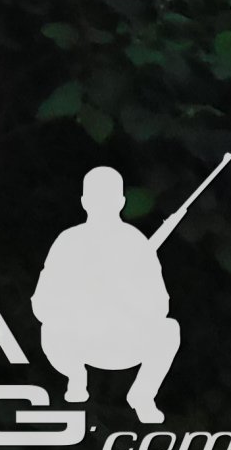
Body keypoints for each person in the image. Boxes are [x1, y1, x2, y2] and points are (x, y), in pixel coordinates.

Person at [34, 164, 185, 425]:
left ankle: (143, 395)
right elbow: (42, 303)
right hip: (78, 341)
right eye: (96, 198)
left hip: (125, 341)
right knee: (49, 329)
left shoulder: (135, 243)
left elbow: (161, 306)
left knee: (169, 330)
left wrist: (128, 297)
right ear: (84, 202)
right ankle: (75, 377)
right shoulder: (69, 241)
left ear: (120, 202)